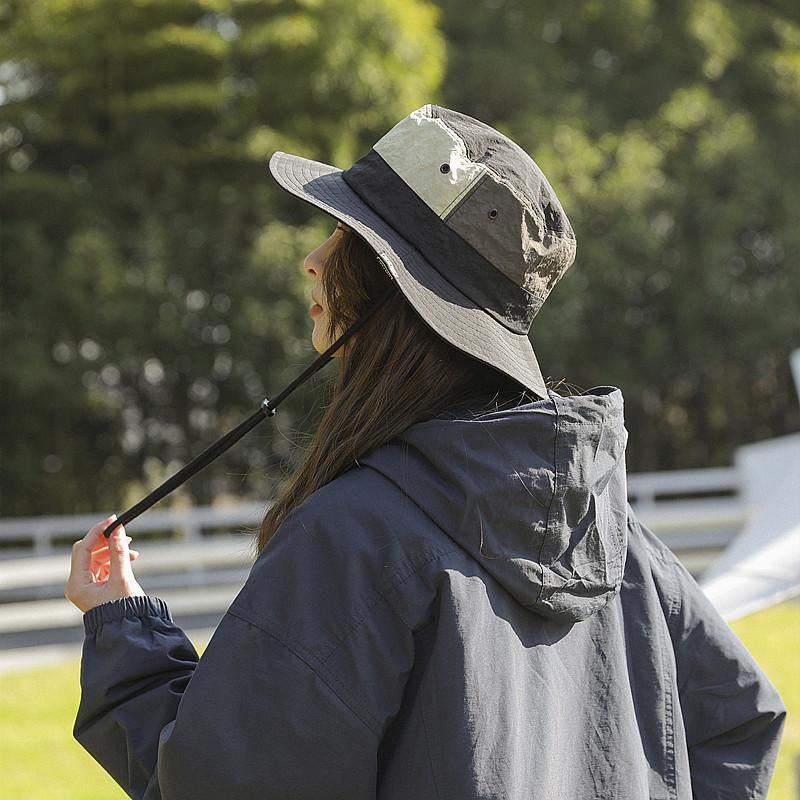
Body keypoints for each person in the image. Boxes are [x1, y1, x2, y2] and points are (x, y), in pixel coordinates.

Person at [65, 104, 785, 799]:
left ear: (396, 290)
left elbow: (225, 783)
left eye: (347, 236)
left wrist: (126, 639)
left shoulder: (353, 537)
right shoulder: (614, 535)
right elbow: (738, 720)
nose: (312, 260)